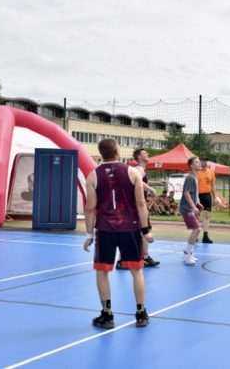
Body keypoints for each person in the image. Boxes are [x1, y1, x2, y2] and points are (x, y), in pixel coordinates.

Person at [83, 138, 153, 329]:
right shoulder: (132, 172)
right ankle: (141, 313)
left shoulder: (93, 176)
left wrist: (89, 235)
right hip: (129, 228)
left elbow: (90, 208)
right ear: (117, 151)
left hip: (106, 230)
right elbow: (141, 203)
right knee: (137, 271)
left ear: (101, 153)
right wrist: (146, 230)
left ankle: (107, 315)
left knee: (102, 271)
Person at [117, 148, 160, 269]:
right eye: (144, 153)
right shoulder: (138, 169)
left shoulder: (140, 169)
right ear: (139, 157)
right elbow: (139, 183)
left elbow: (141, 183)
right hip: (137, 205)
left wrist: (153, 185)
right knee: (140, 231)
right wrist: (150, 189)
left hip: (136, 204)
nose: (147, 154)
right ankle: (123, 260)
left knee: (143, 231)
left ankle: (144, 257)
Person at [180, 156, 203, 265]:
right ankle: (187, 253)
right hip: (186, 208)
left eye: (199, 162)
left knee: (197, 230)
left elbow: (194, 193)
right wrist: (193, 207)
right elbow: (187, 193)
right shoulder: (190, 178)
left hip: (191, 207)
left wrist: (197, 203)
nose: (199, 164)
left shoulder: (195, 177)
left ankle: (189, 252)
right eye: (197, 162)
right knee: (197, 229)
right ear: (191, 166)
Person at [197, 158, 216, 244]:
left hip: (207, 195)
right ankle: (195, 234)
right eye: (202, 161)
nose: (204, 162)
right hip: (198, 195)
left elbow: (212, 185)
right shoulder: (197, 172)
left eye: (206, 161)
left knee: (206, 215)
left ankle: (205, 235)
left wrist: (214, 197)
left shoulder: (211, 172)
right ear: (200, 162)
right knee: (196, 215)